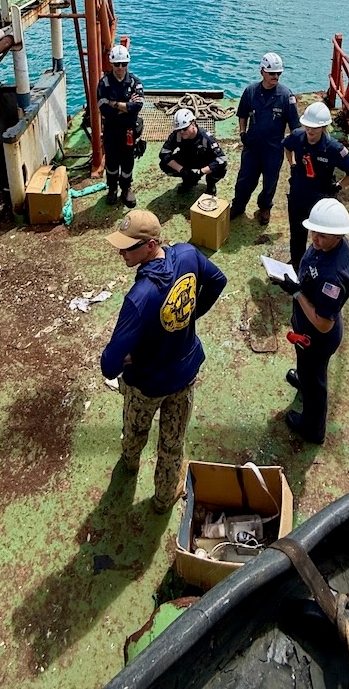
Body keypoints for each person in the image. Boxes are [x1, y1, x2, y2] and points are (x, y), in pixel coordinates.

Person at [101, 209, 227, 513]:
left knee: (135, 429)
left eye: (129, 246)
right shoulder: (187, 255)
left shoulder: (141, 296)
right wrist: (188, 316)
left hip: (147, 383)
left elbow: (109, 365)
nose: (121, 252)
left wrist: (129, 354)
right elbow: (217, 281)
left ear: (151, 244)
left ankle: (129, 463)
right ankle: (163, 499)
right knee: (173, 445)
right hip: (184, 373)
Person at [271, 198, 349, 444]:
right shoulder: (331, 247)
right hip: (308, 326)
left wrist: (296, 293)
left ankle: (312, 428)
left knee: (315, 381)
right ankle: (303, 380)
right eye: (313, 233)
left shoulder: (333, 279)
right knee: (307, 371)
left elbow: (323, 323)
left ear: (338, 236)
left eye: (323, 237)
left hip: (316, 337)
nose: (315, 240)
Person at [283, 101, 349, 269]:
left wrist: (338, 187)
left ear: (324, 127)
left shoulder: (333, 148)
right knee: (296, 232)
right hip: (298, 193)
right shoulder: (297, 136)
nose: (310, 131)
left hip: (320, 199)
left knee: (320, 236)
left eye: (315, 128)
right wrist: (293, 164)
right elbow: (287, 147)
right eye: (308, 126)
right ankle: (296, 262)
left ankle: (317, 265)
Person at [231, 52, 300, 225]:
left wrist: (295, 154)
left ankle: (265, 206)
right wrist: (242, 133)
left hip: (273, 148)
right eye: (272, 73)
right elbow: (242, 114)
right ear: (262, 71)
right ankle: (238, 206)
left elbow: (295, 127)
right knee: (245, 178)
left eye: (279, 73)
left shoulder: (285, 96)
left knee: (270, 181)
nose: (275, 76)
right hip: (252, 145)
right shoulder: (251, 91)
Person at [97, 43, 145, 207]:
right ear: (111, 64)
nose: (120, 67)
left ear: (127, 64)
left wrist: (115, 104)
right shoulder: (104, 83)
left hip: (129, 131)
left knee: (127, 161)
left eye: (123, 64)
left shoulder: (134, 82)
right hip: (111, 130)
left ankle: (126, 188)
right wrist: (125, 107)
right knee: (111, 162)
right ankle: (112, 189)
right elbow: (104, 109)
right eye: (117, 64)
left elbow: (137, 106)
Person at [158, 108, 228, 196]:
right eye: (179, 129)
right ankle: (187, 181)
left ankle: (211, 184)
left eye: (185, 128)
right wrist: (182, 170)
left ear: (193, 124)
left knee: (221, 169)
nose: (182, 132)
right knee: (164, 164)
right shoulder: (177, 135)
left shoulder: (205, 138)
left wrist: (200, 172)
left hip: (204, 161)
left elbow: (221, 159)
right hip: (186, 159)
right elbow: (164, 153)